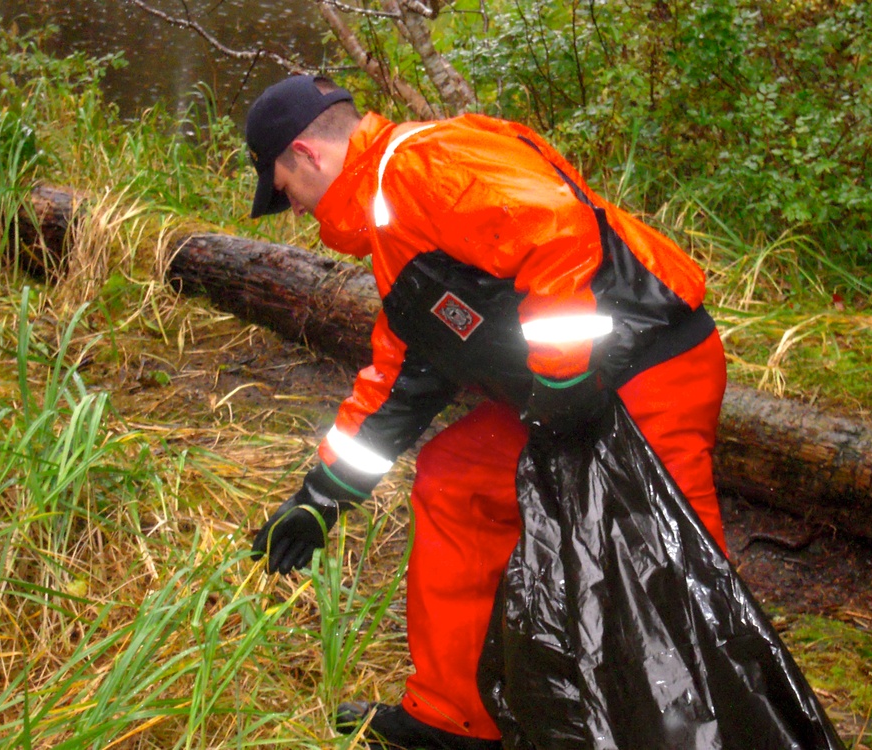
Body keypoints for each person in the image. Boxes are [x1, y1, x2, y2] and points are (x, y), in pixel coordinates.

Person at [246, 74, 728, 750]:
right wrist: (320, 498)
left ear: (308, 153)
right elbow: (398, 379)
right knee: (454, 478)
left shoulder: (423, 164)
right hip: (564, 393)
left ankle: (716, 725)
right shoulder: (395, 225)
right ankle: (453, 718)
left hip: (651, 371)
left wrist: (560, 380)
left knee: (667, 556)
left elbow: (556, 235)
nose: (294, 211)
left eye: (284, 191)